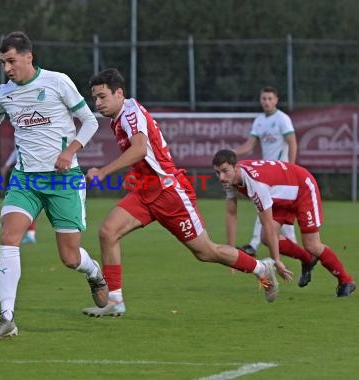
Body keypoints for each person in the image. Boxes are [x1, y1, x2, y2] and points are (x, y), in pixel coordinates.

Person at [81, 68, 283, 318]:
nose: (97, 103)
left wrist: (103, 172)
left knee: (206, 252)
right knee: (107, 232)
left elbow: (141, 149)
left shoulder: (130, 114)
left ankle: (262, 269)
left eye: (102, 97)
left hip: (169, 193)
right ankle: (115, 300)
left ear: (119, 93)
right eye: (95, 98)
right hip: (146, 191)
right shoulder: (119, 116)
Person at [0, 31, 107, 340]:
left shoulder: (57, 82)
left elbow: (89, 121)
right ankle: (7, 316)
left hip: (63, 181)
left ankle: (94, 272)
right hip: (25, 180)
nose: (7, 68)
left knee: (69, 257)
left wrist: (69, 151)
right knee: (9, 237)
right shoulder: (4, 93)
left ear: (28, 57)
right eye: (2, 62)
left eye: (11, 61)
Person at [212, 149, 356, 297]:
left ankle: (346, 281)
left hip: (302, 188)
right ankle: (308, 259)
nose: (221, 177)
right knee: (266, 238)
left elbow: (267, 224)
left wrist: (277, 261)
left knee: (312, 245)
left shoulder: (256, 184)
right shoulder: (230, 179)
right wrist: (230, 251)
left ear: (236, 167)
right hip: (279, 196)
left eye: (224, 171)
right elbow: (231, 213)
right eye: (217, 173)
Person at [234, 86, 298, 256]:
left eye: (270, 98)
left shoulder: (283, 119)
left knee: (263, 205)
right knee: (277, 213)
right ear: (260, 100)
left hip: (281, 174)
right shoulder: (259, 120)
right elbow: (249, 145)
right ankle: (298, 250)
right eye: (264, 98)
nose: (267, 102)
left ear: (276, 100)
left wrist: (291, 168)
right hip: (267, 174)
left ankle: (253, 245)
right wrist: (232, 153)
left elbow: (292, 142)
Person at [1, 148, 36, 244]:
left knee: (28, 203)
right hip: (23, 173)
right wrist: (7, 165)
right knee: (28, 203)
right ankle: (30, 233)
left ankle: (30, 234)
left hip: (29, 173)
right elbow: (16, 150)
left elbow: (18, 150)